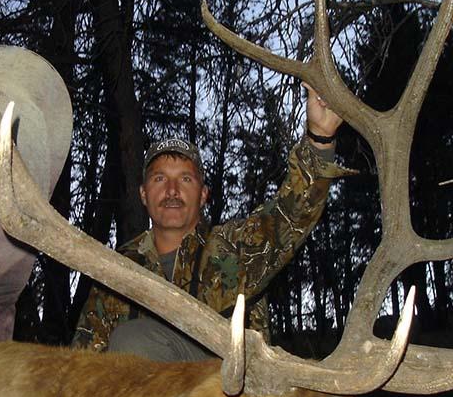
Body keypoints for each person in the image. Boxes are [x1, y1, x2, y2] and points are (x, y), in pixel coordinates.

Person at [72, 88, 347, 360]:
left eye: (185, 179)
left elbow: (292, 213)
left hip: (226, 392)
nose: (171, 191)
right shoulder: (119, 270)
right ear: (143, 194)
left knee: (134, 340)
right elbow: (84, 362)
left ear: (203, 195)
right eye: (159, 179)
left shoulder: (236, 247)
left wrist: (319, 139)